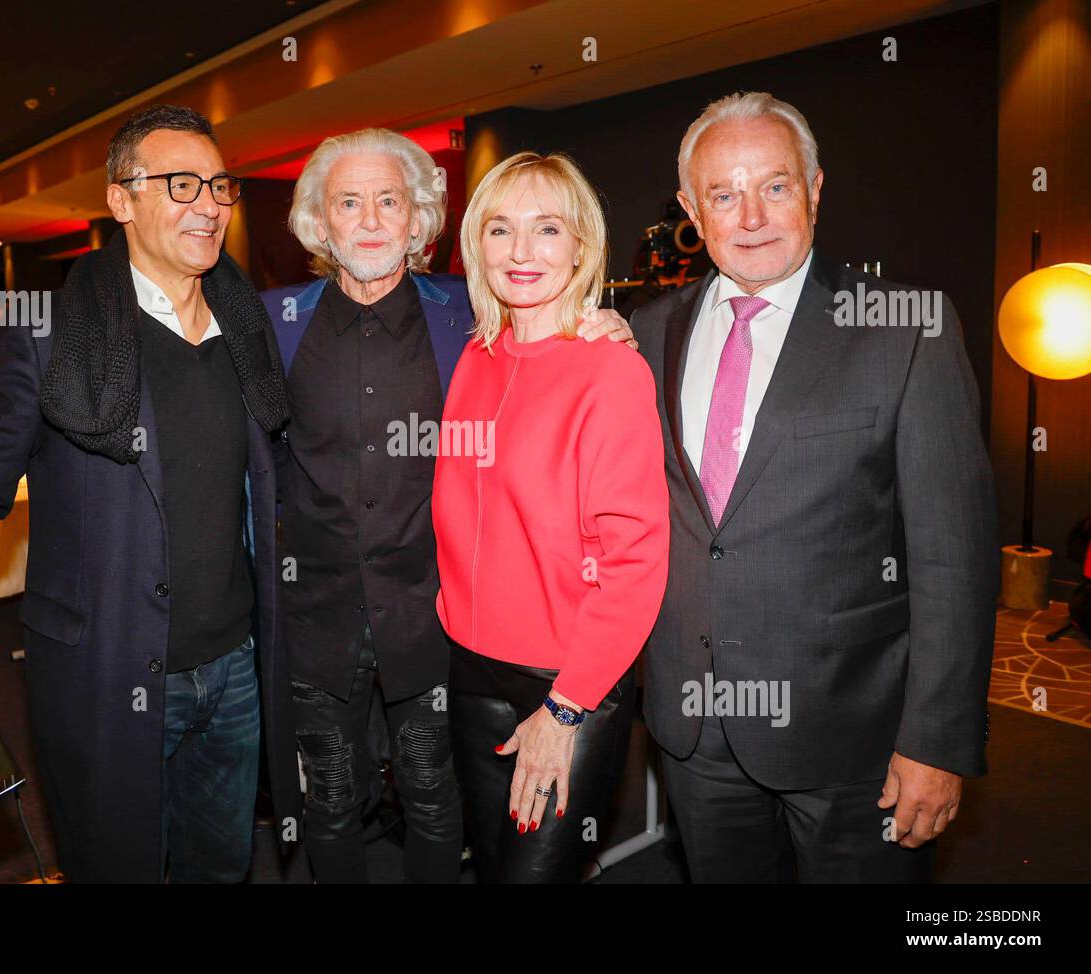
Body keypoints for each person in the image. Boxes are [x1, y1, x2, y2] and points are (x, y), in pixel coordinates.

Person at [0, 104, 299, 883]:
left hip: (235, 671)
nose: (209, 205)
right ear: (120, 199)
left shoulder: (247, 327)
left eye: (220, 186)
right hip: (107, 677)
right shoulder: (54, 334)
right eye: (181, 184)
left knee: (223, 870)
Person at [629, 91, 998, 882]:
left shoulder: (908, 328)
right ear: (693, 208)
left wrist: (936, 740)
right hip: (696, 731)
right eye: (723, 193)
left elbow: (953, 557)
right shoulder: (645, 334)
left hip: (853, 738)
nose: (751, 214)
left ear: (816, 188)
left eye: (775, 184)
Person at [259, 128, 637, 883]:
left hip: (432, 620)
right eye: (348, 202)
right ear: (319, 222)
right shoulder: (273, 323)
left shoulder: (465, 315)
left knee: (435, 799)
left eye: (389, 200)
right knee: (329, 800)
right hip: (315, 617)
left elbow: (547, 331)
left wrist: (607, 323)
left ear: (419, 218)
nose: (369, 219)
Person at [432, 151, 669, 883]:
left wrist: (566, 708)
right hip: (470, 665)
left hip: (567, 680)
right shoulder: (477, 356)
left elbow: (634, 561)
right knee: (498, 863)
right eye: (500, 230)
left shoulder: (611, 368)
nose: (522, 252)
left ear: (581, 247)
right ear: (477, 245)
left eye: (547, 230)